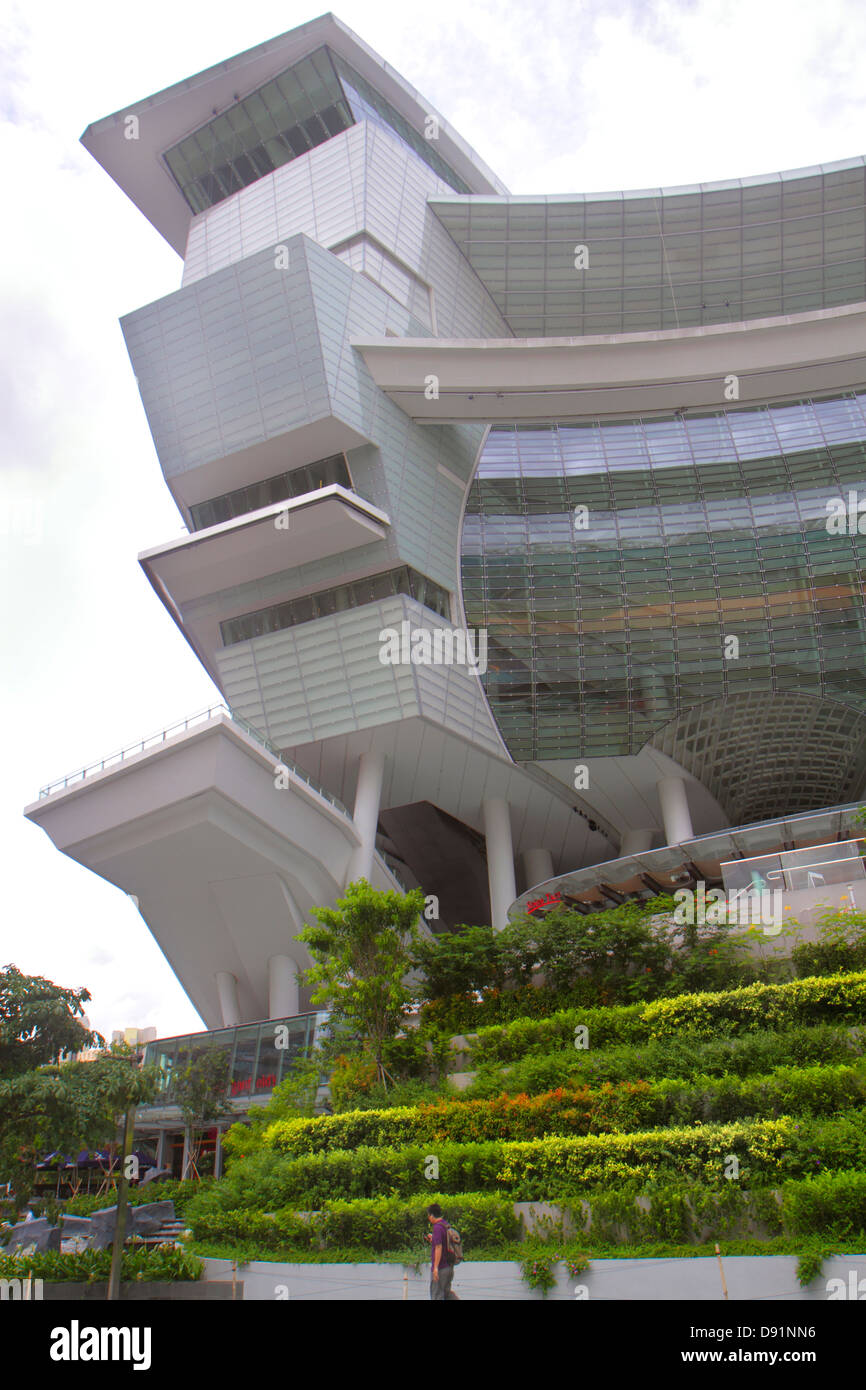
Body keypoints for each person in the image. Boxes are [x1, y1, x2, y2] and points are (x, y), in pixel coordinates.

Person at [427, 1203, 458, 1300]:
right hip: (449, 1267)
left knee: (437, 1295)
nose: (428, 1218)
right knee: (447, 1294)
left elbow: (439, 1247)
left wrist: (435, 1268)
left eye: (428, 1215)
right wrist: (433, 1239)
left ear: (432, 1215)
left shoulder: (437, 1227)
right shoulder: (445, 1225)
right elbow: (444, 1243)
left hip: (441, 1268)